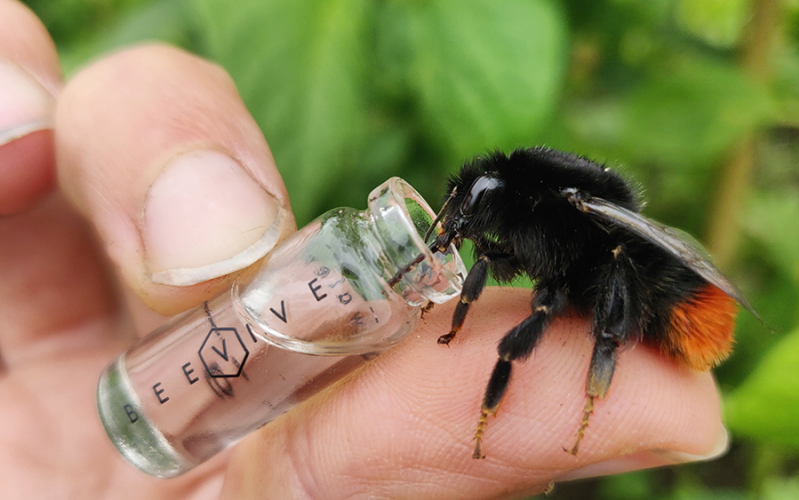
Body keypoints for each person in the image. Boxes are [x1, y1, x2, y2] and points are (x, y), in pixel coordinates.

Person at [0, 1, 728, 498]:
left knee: (558, 302)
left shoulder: (570, 214)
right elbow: (481, 265)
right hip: (119, 415)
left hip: (675, 302)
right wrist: (452, 316)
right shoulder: (515, 236)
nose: (456, 225)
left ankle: (594, 393)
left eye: (464, 210)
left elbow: (584, 271)